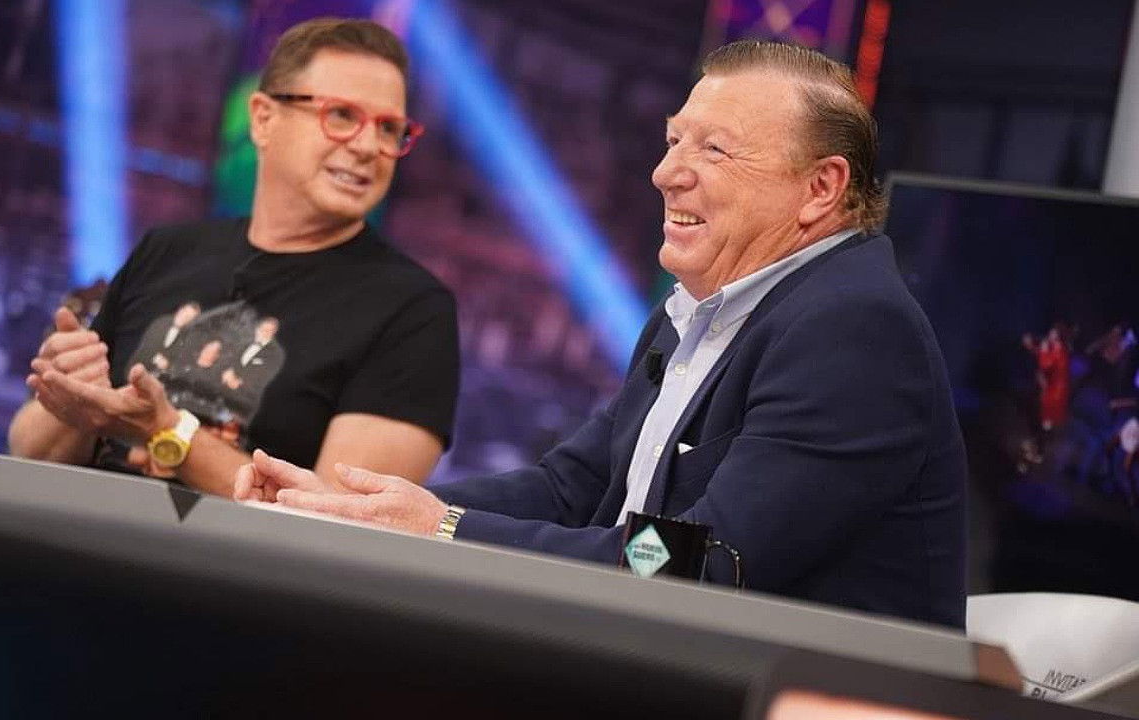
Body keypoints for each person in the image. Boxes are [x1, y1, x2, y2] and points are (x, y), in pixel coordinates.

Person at [237, 40, 967, 628]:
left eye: (713, 151)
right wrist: (367, 511)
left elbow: (698, 559)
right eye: (673, 141)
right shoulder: (696, 311)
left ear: (820, 188)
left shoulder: (854, 328)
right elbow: (568, 488)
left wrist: (445, 528)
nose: (665, 173)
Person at [8, 18, 459, 497]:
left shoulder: (413, 311)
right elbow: (28, 452)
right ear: (263, 119)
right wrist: (72, 398)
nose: (369, 147)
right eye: (342, 115)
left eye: (390, 128)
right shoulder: (166, 251)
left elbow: (337, 519)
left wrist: (167, 432)